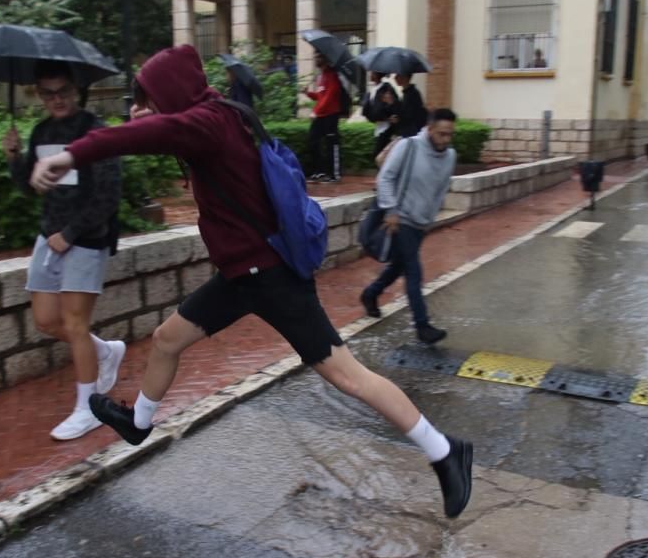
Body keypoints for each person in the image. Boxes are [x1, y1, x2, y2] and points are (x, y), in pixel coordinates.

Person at [31, 45, 474, 519]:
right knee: (166, 340)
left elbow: (159, 133)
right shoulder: (221, 112)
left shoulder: (206, 124)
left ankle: (445, 451)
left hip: (270, 278)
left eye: (156, 97)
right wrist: (147, 117)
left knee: (348, 376)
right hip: (240, 276)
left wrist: (71, 155)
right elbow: (165, 131)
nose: (154, 106)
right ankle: (138, 422)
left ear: (173, 93)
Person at [1, 60, 126, 441]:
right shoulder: (41, 131)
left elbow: (108, 194)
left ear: (76, 90)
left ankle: (89, 408)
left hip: (85, 239)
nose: (56, 99)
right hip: (48, 237)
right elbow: (29, 186)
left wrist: (70, 233)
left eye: (63, 91)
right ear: (38, 94)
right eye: (47, 93)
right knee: (46, 321)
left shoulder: (95, 132)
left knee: (75, 324)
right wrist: (14, 158)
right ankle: (105, 352)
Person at [360, 109, 458, 344]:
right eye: (441, 134)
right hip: (399, 219)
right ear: (430, 129)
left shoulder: (450, 156)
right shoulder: (409, 146)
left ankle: (370, 294)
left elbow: (440, 189)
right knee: (414, 271)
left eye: (449, 135)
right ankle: (422, 326)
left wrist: (429, 219)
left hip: (420, 222)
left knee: (399, 266)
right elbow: (385, 177)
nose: (445, 139)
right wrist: (391, 211)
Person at [303, 52, 343, 182]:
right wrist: (308, 93)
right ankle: (318, 170)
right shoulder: (322, 76)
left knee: (331, 144)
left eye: (319, 56)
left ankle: (334, 174)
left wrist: (316, 111)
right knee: (312, 141)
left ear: (325, 58)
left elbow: (330, 96)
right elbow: (320, 97)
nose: (316, 59)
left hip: (330, 115)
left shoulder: (332, 75)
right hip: (321, 115)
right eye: (315, 56)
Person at [361, 71, 401, 159]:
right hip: (378, 127)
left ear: (376, 74)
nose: (370, 75)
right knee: (382, 157)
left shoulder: (386, 88)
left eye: (372, 73)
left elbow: (394, 105)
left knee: (379, 156)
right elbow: (368, 110)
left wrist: (387, 116)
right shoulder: (372, 90)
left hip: (386, 128)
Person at [393, 73, 428, 138]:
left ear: (405, 77)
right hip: (408, 133)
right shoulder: (406, 93)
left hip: (411, 134)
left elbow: (410, 116)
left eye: (398, 75)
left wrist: (398, 119)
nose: (395, 78)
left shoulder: (412, 94)